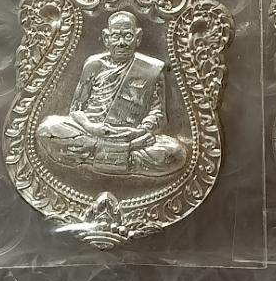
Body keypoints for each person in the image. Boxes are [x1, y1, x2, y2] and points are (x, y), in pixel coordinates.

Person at [36, 11, 187, 177]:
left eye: (128, 36)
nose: (121, 43)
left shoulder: (152, 69)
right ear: (106, 38)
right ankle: (123, 155)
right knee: (47, 129)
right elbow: (76, 110)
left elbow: (157, 114)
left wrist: (140, 131)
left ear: (138, 37)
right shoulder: (94, 65)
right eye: (116, 36)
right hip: (92, 132)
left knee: (175, 153)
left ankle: (95, 154)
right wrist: (92, 127)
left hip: (130, 135)